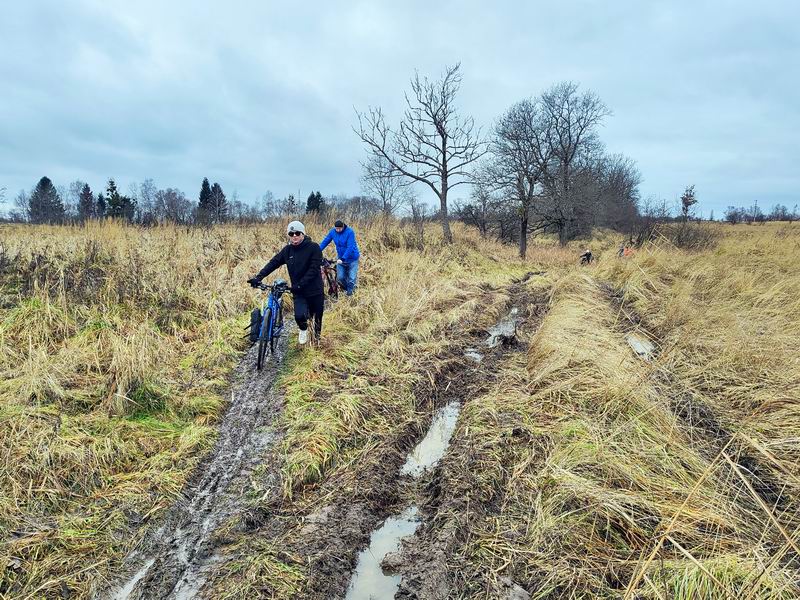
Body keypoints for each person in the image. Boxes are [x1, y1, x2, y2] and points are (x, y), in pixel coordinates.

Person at [247, 220, 323, 345]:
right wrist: (258, 277)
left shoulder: (314, 248)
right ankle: (303, 329)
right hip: (299, 292)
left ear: (303, 234)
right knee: (299, 316)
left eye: (297, 233)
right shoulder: (287, 250)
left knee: (317, 320)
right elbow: (273, 263)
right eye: (291, 234)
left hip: (315, 290)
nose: (294, 236)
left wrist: (300, 284)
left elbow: (313, 269)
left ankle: (316, 343)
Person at [319, 219, 360, 296]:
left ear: (343, 226)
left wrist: (343, 258)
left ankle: (350, 294)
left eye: (339, 229)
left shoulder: (350, 232)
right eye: (336, 228)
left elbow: (350, 247)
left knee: (352, 278)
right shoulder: (333, 232)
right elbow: (326, 241)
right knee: (340, 278)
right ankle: (347, 289)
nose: (337, 230)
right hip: (340, 258)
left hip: (352, 259)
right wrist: (317, 250)